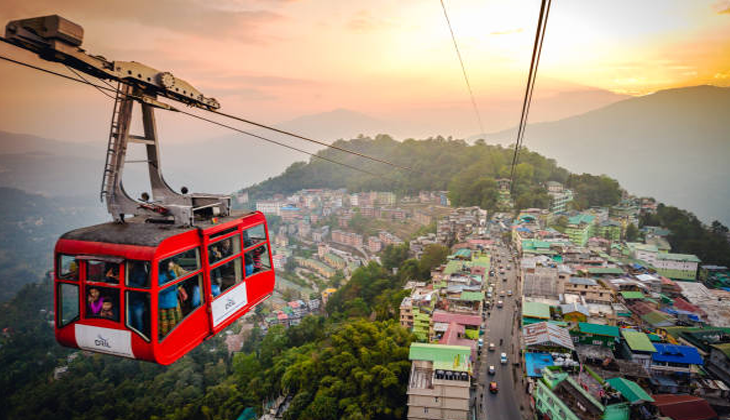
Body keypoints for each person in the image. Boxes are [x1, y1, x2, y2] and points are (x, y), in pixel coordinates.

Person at [158, 262, 181, 337]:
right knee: (170, 323)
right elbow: (161, 289)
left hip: (170, 301)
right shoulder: (160, 275)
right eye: (170, 263)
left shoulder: (171, 272)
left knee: (168, 323)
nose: (172, 264)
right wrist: (174, 286)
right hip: (166, 303)